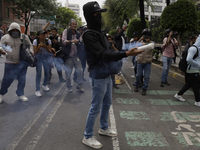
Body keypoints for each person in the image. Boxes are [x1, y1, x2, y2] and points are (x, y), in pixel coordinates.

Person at [82, 2, 144, 149]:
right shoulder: (89, 34)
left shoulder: (100, 33)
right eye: (96, 14)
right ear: (90, 16)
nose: (99, 16)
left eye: (100, 13)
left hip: (108, 73)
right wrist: (126, 53)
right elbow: (103, 54)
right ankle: (88, 135)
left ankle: (103, 128)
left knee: (107, 103)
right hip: (98, 75)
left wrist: (128, 49)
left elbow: (110, 49)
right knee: (95, 107)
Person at [0, 22, 33, 103]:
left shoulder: (24, 37)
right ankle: (1, 94)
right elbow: (1, 46)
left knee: (22, 80)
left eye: (16, 30)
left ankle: (20, 94)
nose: (15, 31)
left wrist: (31, 52)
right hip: (10, 63)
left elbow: (30, 45)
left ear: (19, 30)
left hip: (22, 63)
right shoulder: (5, 37)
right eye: (13, 30)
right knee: (7, 80)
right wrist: (3, 51)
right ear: (10, 30)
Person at [174, 35, 200, 107]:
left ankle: (179, 94)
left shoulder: (197, 48)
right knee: (196, 86)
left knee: (189, 84)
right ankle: (197, 101)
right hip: (193, 70)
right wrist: (197, 64)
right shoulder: (193, 48)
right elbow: (188, 59)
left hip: (193, 70)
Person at [62, 19, 84, 93]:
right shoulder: (66, 31)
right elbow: (64, 41)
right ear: (70, 25)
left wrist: (79, 41)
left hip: (76, 56)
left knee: (80, 71)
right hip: (68, 56)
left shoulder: (78, 33)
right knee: (68, 73)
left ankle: (79, 85)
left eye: (75, 24)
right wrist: (72, 41)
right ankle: (69, 87)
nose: (74, 25)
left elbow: (81, 42)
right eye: (73, 24)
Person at [134, 29, 154, 95]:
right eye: (145, 36)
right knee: (138, 75)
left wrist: (148, 42)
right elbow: (135, 47)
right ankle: (137, 86)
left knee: (146, 76)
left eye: (147, 36)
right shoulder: (140, 43)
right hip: (140, 61)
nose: (146, 37)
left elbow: (151, 47)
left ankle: (144, 88)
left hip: (147, 62)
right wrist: (140, 39)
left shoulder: (151, 43)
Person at [33, 30, 52, 97]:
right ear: (38, 35)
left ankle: (44, 85)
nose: (44, 35)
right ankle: (37, 90)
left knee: (47, 72)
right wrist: (39, 47)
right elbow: (35, 52)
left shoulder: (48, 41)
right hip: (38, 57)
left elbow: (50, 51)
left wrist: (45, 47)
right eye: (42, 34)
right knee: (39, 73)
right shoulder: (35, 41)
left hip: (46, 57)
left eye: (44, 34)